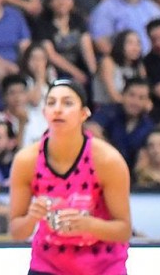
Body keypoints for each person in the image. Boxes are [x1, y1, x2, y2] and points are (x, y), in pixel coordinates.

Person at [9, 79, 131, 275]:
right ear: (44, 113)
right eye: (51, 103)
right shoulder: (26, 160)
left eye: (67, 103)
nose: (58, 109)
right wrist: (31, 218)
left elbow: (124, 230)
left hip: (103, 265)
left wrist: (89, 225)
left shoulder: (107, 160)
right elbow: (16, 232)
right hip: (48, 264)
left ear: (84, 113)